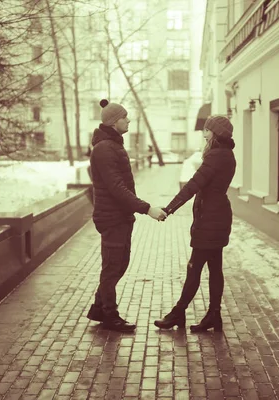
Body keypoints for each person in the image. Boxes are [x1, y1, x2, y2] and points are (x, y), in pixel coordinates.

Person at [87, 98, 167, 332]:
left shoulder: (113, 145)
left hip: (119, 216)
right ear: (113, 122)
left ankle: (99, 309)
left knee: (119, 264)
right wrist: (147, 208)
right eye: (125, 117)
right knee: (113, 267)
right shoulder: (104, 149)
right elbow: (116, 188)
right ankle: (110, 316)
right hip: (112, 218)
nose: (128, 119)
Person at [154, 115, 236, 332]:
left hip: (210, 220)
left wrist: (169, 208)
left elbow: (193, 185)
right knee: (215, 268)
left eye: (207, 130)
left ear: (216, 133)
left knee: (194, 267)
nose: (204, 133)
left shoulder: (216, 156)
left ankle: (178, 313)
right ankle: (213, 315)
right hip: (216, 217)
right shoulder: (226, 154)